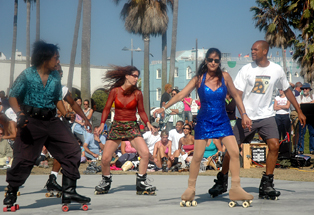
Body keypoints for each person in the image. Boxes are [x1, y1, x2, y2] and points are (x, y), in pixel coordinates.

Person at [154, 47, 253, 205]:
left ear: (219, 62)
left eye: (216, 60)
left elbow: (235, 95)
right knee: (197, 157)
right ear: (206, 61)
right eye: (210, 60)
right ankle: (190, 189)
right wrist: (164, 108)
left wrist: (245, 114)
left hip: (222, 120)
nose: (213, 63)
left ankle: (236, 188)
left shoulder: (225, 77)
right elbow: (181, 95)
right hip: (204, 121)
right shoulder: (198, 78)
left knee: (234, 152)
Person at [208, 41, 306, 200]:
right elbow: (237, 94)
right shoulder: (246, 70)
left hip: (266, 116)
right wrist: (243, 114)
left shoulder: (276, 69)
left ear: (265, 51)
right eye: (251, 49)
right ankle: (222, 179)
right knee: (231, 150)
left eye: (255, 49)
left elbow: (287, 90)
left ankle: (267, 183)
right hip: (245, 117)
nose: (252, 52)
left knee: (274, 146)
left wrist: (299, 110)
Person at [4, 41, 90, 210]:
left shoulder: (55, 77)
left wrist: (65, 113)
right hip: (31, 121)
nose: (58, 61)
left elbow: (57, 98)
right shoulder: (27, 75)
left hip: (51, 121)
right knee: (24, 159)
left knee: (72, 149)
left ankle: (69, 189)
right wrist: (19, 113)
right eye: (56, 58)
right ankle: (12, 190)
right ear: (45, 58)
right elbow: (13, 96)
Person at [94, 65, 156, 195]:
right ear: (127, 76)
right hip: (117, 126)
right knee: (105, 158)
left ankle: (141, 182)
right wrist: (102, 124)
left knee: (145, 153)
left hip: (132, 126)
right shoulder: (115, 91)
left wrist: (148, 123)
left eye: (137, 76)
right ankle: (105, 181)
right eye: (134, 76)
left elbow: (142, 111)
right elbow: (106, 109)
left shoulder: (138, 93)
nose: (136, 79)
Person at [44, 63, 92, 197]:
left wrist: (85, 118)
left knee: (68, 150)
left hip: (53, 124)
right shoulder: (40, 85)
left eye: (61, 74)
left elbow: (72, 103)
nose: (60, 76)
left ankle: (56, 181)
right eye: (57, 73)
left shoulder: (62, 89)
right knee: (27, 157)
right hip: (37, 123)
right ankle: (12, 189)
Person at [296, 83, 314, 154]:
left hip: (311, 117)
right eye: (303, 89)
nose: (305, 90)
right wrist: (310, 103)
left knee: (312, 133)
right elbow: (299, 105)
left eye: (306, 88)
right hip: (302, 117)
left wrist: (305, 104)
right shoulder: (299, 97)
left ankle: (312, 149)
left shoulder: (312, 96)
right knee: (301, 133)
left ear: (309, 89)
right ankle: (301, 149)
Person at [290, 82, 303, 150]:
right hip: (295, 111)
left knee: (295, 131)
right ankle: (295, 147)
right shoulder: (297, 93)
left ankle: (295, 146)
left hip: (292, 111)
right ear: (300, 87)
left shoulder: (292, 92)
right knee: (297, 131)